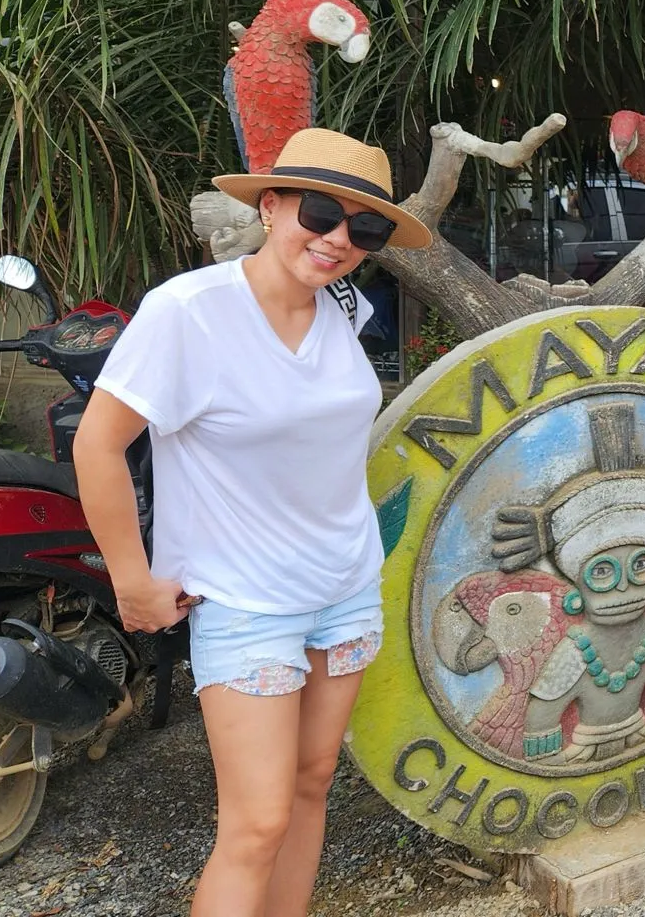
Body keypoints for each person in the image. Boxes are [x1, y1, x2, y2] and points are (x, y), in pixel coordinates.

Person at [73, 128, 431, 917]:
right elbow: (98, 442)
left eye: (363, 228)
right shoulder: (190, 312)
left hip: (343, 585)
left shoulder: (342, 304)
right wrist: (132, 581)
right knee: (256, 821)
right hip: (245, 598)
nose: (338, 238)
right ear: (271, 207)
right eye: (321, 212)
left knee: (309, 789)